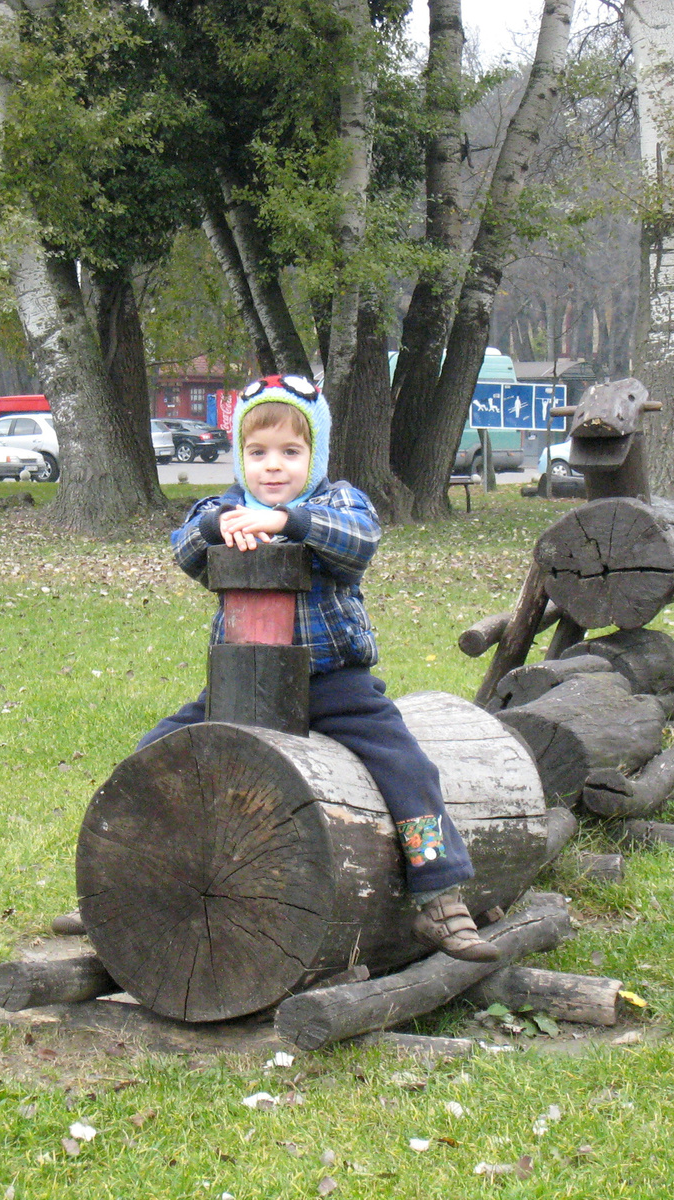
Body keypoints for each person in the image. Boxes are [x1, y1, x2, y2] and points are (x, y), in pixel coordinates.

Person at [138, 374, 499, 962]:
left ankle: (440, 894)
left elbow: (359, 542)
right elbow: (185, 550)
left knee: (406, 766)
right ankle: (134, 874)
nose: (272, 467)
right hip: (241, 684)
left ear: (318, 455)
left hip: (334, 684)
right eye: (257, 453)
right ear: (239, 457)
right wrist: (214, 529)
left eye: (290, 452)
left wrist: (288, 523)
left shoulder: (338, 504)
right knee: (156, 756)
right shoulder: (223, 510)